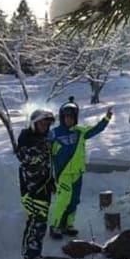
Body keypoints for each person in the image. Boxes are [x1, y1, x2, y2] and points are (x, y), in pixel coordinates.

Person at [49, 98, 112, 238]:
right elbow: (44, 147)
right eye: (66, 117)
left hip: (77, 173)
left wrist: (106, 119)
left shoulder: (80, 131)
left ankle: (68, 225)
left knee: (74, 200)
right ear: (62, 117)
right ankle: (55, 225)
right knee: (63, 199)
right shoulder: (54, 133)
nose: (69, 120)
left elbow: (96, 129)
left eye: (71, 117)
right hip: (63, 174)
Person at [16, 109, 55, 259]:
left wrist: (51, 180)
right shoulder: (26, 136)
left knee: (41, 222)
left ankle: (35, 254)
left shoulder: (46, 139)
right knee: (35, 221)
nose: (45, 127)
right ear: (34, 123)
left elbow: (48, 162)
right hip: (31, 189)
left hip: (44, 185)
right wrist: (40, 148)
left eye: (47, 124)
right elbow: (23, 157)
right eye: (42, 123)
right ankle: (30, 255)